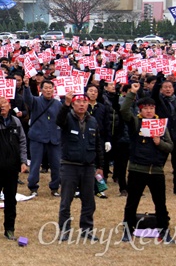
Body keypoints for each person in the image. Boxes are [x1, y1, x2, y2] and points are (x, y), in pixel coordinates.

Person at [120, 83, 174, 243]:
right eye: (145, 108)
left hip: (156, 170)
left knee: (160, 204)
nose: (149, 111)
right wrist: (132, 93)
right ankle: (128, 230)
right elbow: (124, 111)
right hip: (138, 169)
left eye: (151, 108)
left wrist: (160, 143)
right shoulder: (136, 123)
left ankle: (164, 231)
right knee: (132, 203)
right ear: (140, 110)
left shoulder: (161, 125)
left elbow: (170, 146)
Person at [56, 93, 104, 241]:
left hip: (88, 167)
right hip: (70, 166)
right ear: (73, 104)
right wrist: (65, 104)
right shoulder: (67, 118)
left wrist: (100, 165)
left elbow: (97, 145)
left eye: (84, 102)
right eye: (78, 102)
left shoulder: (93, 121)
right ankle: (64, 231)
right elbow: (59, 120)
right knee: (66, 201)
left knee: (89, 201)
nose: (82, 104)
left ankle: (87, 229)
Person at [0, 97, 27, 240]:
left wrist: (23, 161)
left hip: (11, 167)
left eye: (5, 104)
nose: (2, 106)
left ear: (10, 106)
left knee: (10, 199)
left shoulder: (16, 122)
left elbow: (22, 142)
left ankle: (9, 229)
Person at [23, 78, 62, 197]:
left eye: (50, 88)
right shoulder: (36, 101)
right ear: (41, 89)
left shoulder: (58, 104)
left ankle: (55, 187)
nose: (48, 90)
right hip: (37, 137)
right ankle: (33, 186)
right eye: (46, 88)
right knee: (35, 163)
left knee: (56, 164)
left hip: (54, 138)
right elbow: (27, 99)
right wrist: (26, 87)